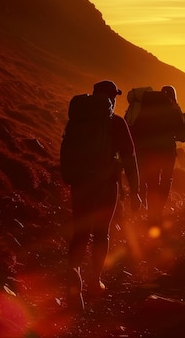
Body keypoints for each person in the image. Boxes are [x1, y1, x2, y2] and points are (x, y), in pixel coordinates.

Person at [63, 80, 141, 311]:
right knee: (101, 233)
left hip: (79, 184)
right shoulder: (115, 123)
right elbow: (129, 157)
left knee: (80, 231)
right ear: (112, 98)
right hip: (106, 185)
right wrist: (136, 191)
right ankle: (94, 280)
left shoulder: (78, 119)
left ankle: (73, 271)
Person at [131, 85, 185, 229]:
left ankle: (151, 214)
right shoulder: (174, 111)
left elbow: (136, 129)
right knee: (166, 180)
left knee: (152, 182)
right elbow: (182, 136)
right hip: (167, 151)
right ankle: (158, 213)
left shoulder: (147, 108)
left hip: (149, 152)